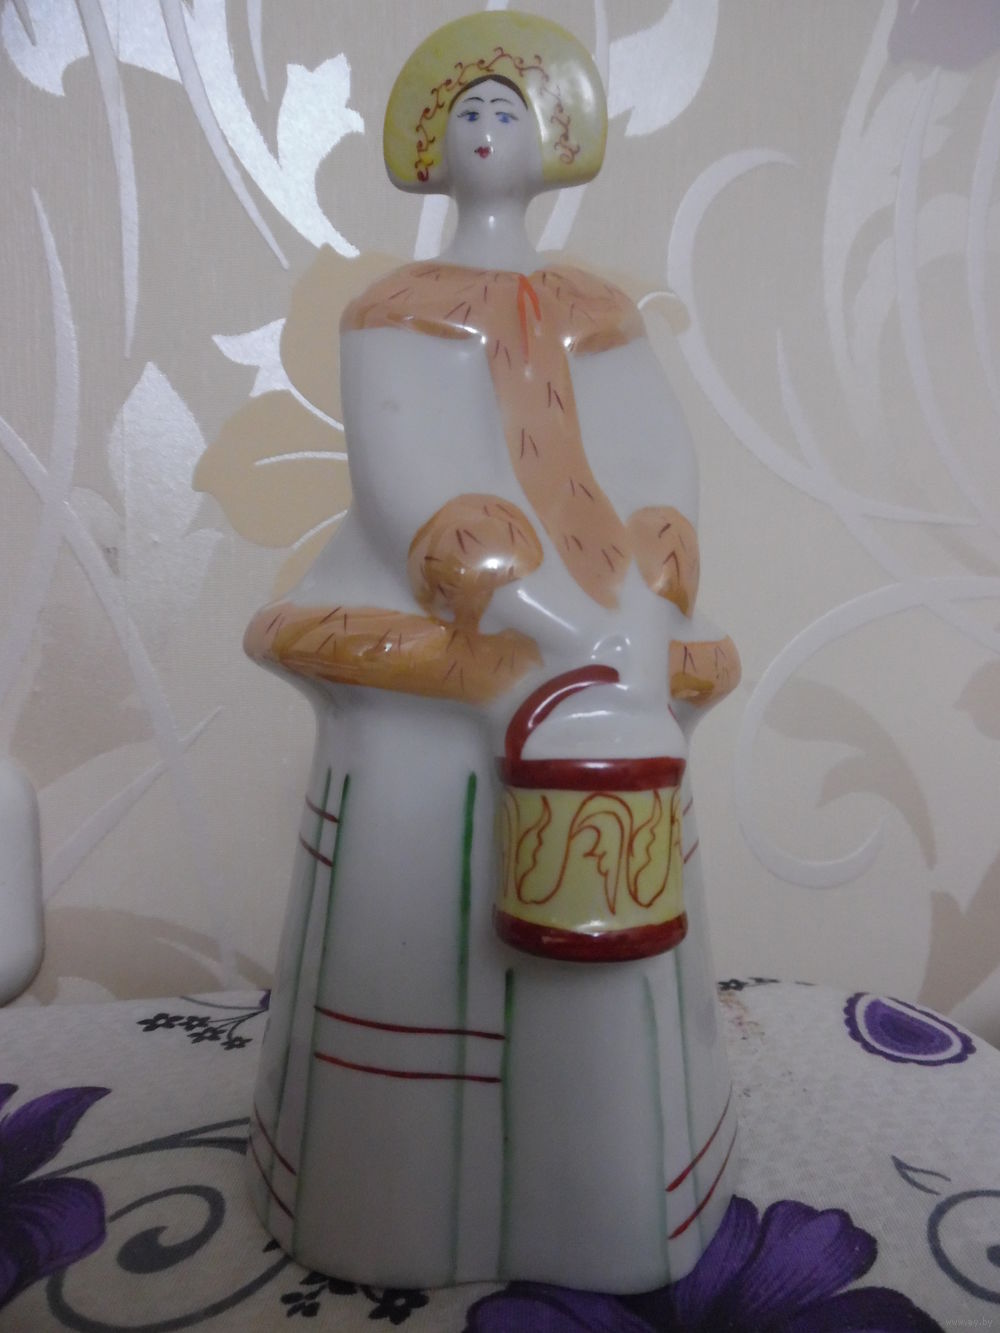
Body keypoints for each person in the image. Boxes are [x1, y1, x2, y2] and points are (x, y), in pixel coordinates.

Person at [245, 11, 739, 1292]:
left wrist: (648, 581)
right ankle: (386, 1200)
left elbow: (656, 443)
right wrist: (525, 606)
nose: (482, 129)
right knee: (421, 795)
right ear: (429, 148)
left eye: (506, 110)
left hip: (607, 590)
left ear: (549, 141)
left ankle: (619, 1188)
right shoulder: (389, 311)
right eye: (464, 110)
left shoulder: (599, 312)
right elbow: (400, 467)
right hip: (466, 591)